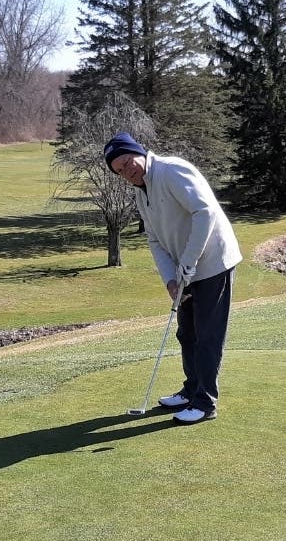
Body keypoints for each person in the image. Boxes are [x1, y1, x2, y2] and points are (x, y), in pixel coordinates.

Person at [103, 132, 242, 424]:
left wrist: (188, 263)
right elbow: (154, 240)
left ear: (139, 153)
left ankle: (205, 403)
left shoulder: (171, 170)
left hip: (214, 263)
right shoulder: (143, 193)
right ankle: (191, 390)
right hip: (185, 271)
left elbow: (204, 213)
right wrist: (170, 279)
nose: (127, 171)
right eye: (120, 170)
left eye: (128, 162)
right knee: (187, 333)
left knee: (207, 336)